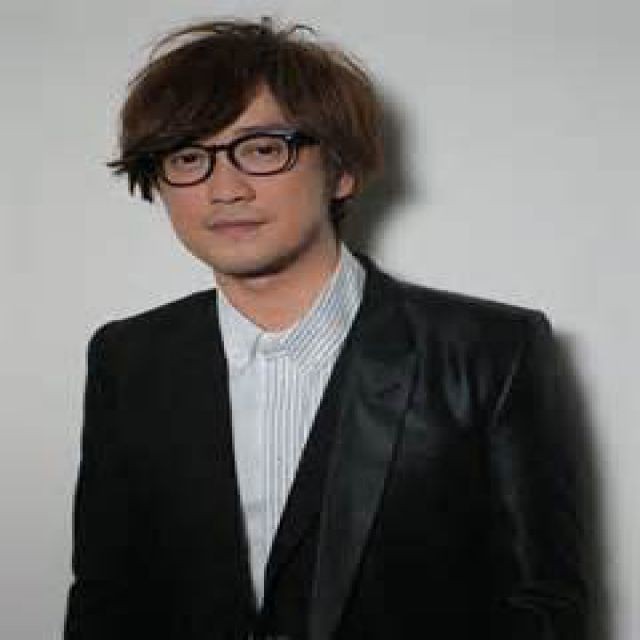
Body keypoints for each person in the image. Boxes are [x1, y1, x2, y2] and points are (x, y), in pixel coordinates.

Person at [64, 18, 587, 640]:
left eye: (262, 149)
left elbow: (542, 607)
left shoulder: (492, 351)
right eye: (186, 157)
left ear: (342, 171)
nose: (224, 188)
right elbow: (105, 597)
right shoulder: (127, 358)